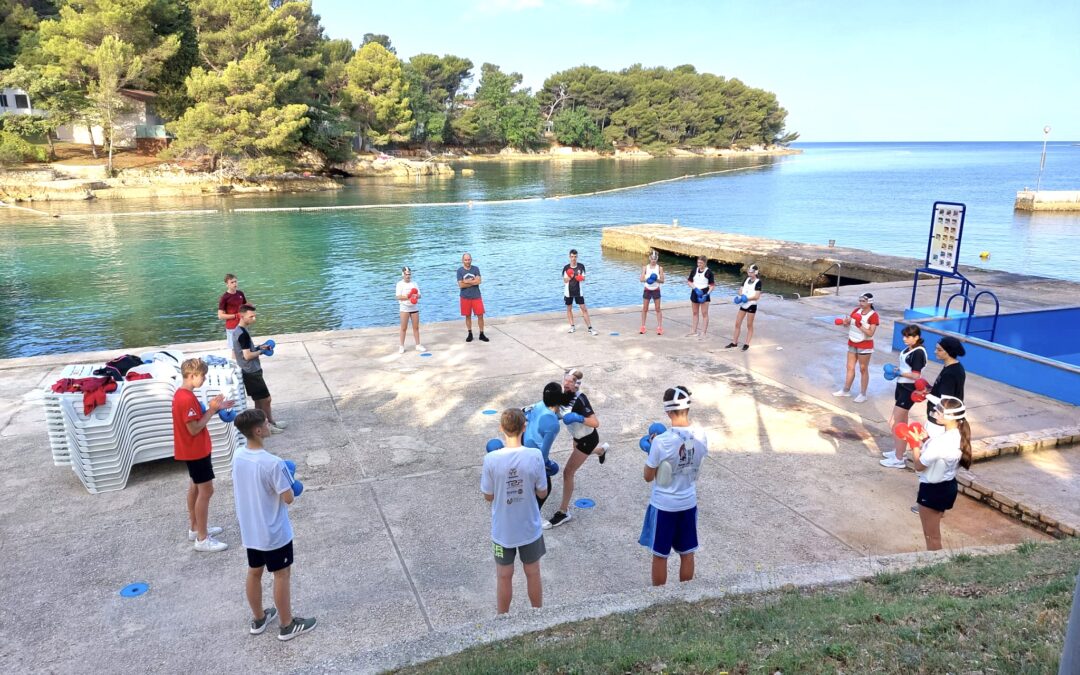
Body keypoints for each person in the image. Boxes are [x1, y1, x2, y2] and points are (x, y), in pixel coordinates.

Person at [232, 409, 317, 641]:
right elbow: (288, 497)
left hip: (251, 529)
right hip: (273, 532)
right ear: (258, 430)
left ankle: (259, 619)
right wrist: (292, 482)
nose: (269, 424)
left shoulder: (238, 455)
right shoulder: (274, 463)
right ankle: (287, 625)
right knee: (281, 575)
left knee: (254, 572)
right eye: (265, 423)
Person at [480, 408, 548, 614]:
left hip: (503, 530)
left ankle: (503, 621)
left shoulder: (491, 459)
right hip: (529, 527)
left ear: (501, 429)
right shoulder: (535, 456)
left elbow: (488, 496)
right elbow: (543, 493)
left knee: (503, 575)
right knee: (533, 572)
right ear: (524, 428)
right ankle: (538, 615)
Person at [639, 386, 708, 586]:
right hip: (688, 501)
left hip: (664, 505)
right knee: (687, 552)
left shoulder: (661, 442)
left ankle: (660, 598)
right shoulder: (702, 436)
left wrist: (651, 451)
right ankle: (685, 595)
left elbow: (648, 476)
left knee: (660, 555)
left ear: (668, 411)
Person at [172, 358, 233, 553]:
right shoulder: (186, 398)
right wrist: (213, 409)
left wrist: (215, 408)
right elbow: (194, 428)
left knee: (195, 488)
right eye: (203, 376)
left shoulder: (182, 395)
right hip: (195, 451)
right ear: (192, 376)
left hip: (193, 450)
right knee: (206, 491)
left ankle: (195, 527)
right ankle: (202, 538)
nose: (205, 379)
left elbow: (196, 418)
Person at [544, 369, 608, 529]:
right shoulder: (564, 395)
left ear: (577, 384)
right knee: (578, 451)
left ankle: (563, 512)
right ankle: (600, 451)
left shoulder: (581, 399)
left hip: (588, 439)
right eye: (565, 380)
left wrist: (579, 418)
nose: (566, 383)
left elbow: (595, 422)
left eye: (570, 381)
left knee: (568, 473)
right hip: (577, 437)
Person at [911, 395, 971, 550]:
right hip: (948, 486)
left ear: (950, 417)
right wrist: (926, 440)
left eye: (939, 410)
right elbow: (939, 453)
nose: (934, 411)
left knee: (932, 537)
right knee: (934, 534)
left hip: (932, 490)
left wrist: (914, 444)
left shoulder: (941, 442)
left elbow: (919, 465)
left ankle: (936, 568)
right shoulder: (958, 436)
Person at [233, 304, 286, 433]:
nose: (254, 319)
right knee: (266, 399)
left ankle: (265, 425)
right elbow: (247, 355)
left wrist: (259, 347)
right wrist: (261, 352)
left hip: (250, 371)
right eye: (251, 316)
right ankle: (269, 425)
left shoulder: (239, 331)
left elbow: (245, 351)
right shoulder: (242, 334)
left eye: (254, 316)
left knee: (258, 401)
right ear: (242, 316)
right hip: (251, 372)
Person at [881, 325, 928, 469]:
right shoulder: (909, 349)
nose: (904, 339)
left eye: (908, 336)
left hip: (909, 389)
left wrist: (898, 373)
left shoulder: (918, 353)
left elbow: (916, 375)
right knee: (902, 421)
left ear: (916, 337)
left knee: (895, 423)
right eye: (904, 336)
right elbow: (907, 369)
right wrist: (898, 371)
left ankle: (899, 458)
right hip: (901, 387)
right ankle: (899, 451)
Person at [522, 382, 564, 509]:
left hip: (523, 445)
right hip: (534, 456)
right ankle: (534, 515)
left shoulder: (538, 405)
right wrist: (548, 465)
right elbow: (544, 453)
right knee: (545, 488)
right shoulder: (553, 425)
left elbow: (524, 413)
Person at [833, 292, 879, 403]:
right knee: (849, 367)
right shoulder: (855, 311)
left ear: (870, 302)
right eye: (860, 301)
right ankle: (846, 390)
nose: (861, 303)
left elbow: (870, 333)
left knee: (863, 369)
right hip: (852, 342)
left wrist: (860, 325)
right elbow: (848, 323)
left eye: (863, 301)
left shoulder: (874, 315)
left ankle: (863, 394)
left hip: (865, 345)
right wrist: (844, 322)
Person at [927, 335, 966, 432]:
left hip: (940, 421)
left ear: (949, 352)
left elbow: (945, 402)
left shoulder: (950, 373)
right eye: (936, 349)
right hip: (942, 420)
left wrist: (926, 395)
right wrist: (930, 389)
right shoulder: (954, 367)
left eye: (939, 350)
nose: (935, 352)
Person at [726, 263, 763, 351]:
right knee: (737, 323)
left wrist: (747, 298)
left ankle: (747, 343)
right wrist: (741, 297)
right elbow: (740, 290)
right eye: (749, 272)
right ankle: (734, 342)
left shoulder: (758, 282)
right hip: (744, 304)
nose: (749, 274)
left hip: (752, 304)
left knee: (749, 325)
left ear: (755, 272)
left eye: (751, 272)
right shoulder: (746, 279)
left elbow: (757, 296)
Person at [563, 249, 598, 335]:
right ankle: (572, 326)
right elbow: (565, 280)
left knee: (584, 309)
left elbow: (584, 278)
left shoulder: (581, 266)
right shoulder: (566, 268)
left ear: (577, 257)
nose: (573, 258)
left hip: (579, 292)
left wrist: (578, 277)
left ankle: (590, 328)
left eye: (575, 257)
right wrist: (570, 277)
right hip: (568, 292)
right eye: (572, 257)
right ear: (569, 257)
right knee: (569, 309)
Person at [457, 252, 489, 343]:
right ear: (463, 260)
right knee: (468, 316)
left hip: (476, 296)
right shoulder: (459, 271)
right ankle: (470, 333)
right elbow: (461, 285)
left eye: (469, 259)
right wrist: (473, 281)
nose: (467, 261)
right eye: (465, 260)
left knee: (480, 315)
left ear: (471, 259)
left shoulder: (476, 269)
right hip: (465, 297)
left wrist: (466, 281)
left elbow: (479, 281)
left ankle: (481, 334)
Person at [395, 266, 425, 354]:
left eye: (409, 274)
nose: (408, 276)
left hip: (414, 307)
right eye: (406, 274)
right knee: (403, 328)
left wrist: (416, 296)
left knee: (416, 327)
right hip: (404, 308)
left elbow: (419, 295)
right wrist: (407, 296)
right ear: (403, 274)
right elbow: (398, 297)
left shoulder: (414, 283)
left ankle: (418, 345)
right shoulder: (399, 284)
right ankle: (401, 346)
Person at [686, 256, 715, 338]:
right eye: (698, 262)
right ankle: (693, 331)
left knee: (704, 313)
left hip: (704, 292)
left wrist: (707, 294)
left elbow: (712, 285)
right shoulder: (694, 270)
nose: (699, 264)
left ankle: (703, 333)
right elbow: (689, 281)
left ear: (705, 263)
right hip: (695, 291)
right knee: (695, 312)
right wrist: (694, 288)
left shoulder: (709, 272)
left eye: (701, 263)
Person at [218, 273, 247, 351]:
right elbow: (220, 316)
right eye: (232, 282)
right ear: (227, 284)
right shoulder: (224, 298)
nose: (235, 284)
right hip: (232, 327)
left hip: (242, 325)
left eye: (235, 281)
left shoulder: (240, 293)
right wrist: (235, 316)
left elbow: (244, 307)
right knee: (235, 350)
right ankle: (235, 362)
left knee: (245, 347)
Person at [639, 250, 664, 335]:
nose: (653, 260)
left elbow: (662, 281)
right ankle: (643, 326)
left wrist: (656, 279)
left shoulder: (660, 268)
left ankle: (659, 327)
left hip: (656, 289)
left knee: (658, 308)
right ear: (649, 258)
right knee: (645, 308)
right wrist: (649, 279)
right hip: (647, 289)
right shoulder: (645, 267)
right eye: (652, 258)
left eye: (655, 258)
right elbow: (641, 279)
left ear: (657, 259)